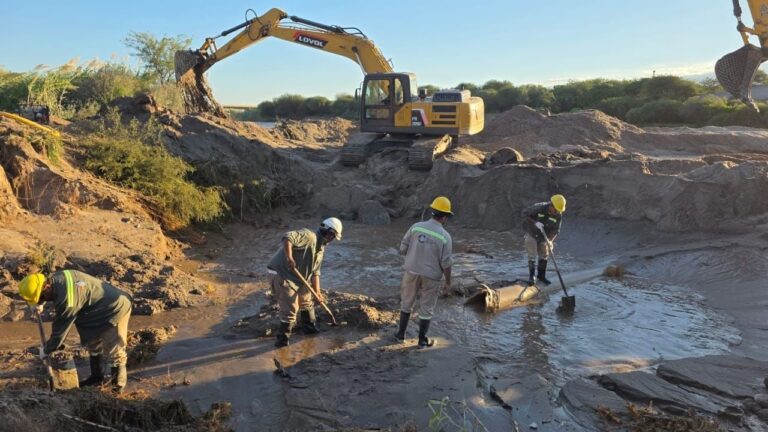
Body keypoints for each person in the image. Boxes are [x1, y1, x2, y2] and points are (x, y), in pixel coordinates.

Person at [18, 270, 133, 392]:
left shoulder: (68, 299)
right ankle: (97, 377)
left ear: (46, 287)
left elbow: (60, 331)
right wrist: (40, 302)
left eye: (41, 297)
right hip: (94, 309)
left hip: (115, 308)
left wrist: (47, 349)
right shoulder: (57, 277)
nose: (41, 300)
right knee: (93, 344)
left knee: (114, 350)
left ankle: (117, 388)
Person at [267, 217, 343, 347]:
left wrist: (317, 292)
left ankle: (309, 331)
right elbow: (288, 237)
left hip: (298, 277)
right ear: (327, 232)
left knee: (307, 301)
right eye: (332, 236)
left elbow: (315, 273)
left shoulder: (320, 249)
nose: (332, 239)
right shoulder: (309, 236)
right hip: (282, 274)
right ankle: (282, 343)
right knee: (291, 310)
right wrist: (289, 257)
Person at [395, 196, 454, 348]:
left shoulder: (416, 227)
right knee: (427, 308)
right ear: (445, 217)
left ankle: (400, 335)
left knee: (406, 302)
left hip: (411, 272)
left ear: (432, 211)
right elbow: (446, 263)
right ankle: (422, 340)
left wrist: (415, 252)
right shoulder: (445, 237)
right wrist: (448, 282)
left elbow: (402, 248)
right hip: (432, 277)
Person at [521, 194, 566, 286]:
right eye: (556, 210)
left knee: (544, 254)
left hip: (544, 236)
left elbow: (556, 230)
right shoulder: (539, 207)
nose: (557, 212)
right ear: (551, 205)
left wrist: (550, 241)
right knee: (532, 254)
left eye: (559, 211)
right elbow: (524, 213)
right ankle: (532, 277)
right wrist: (535, 222)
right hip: (532, 232)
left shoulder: (558, 215)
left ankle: (541, 276)